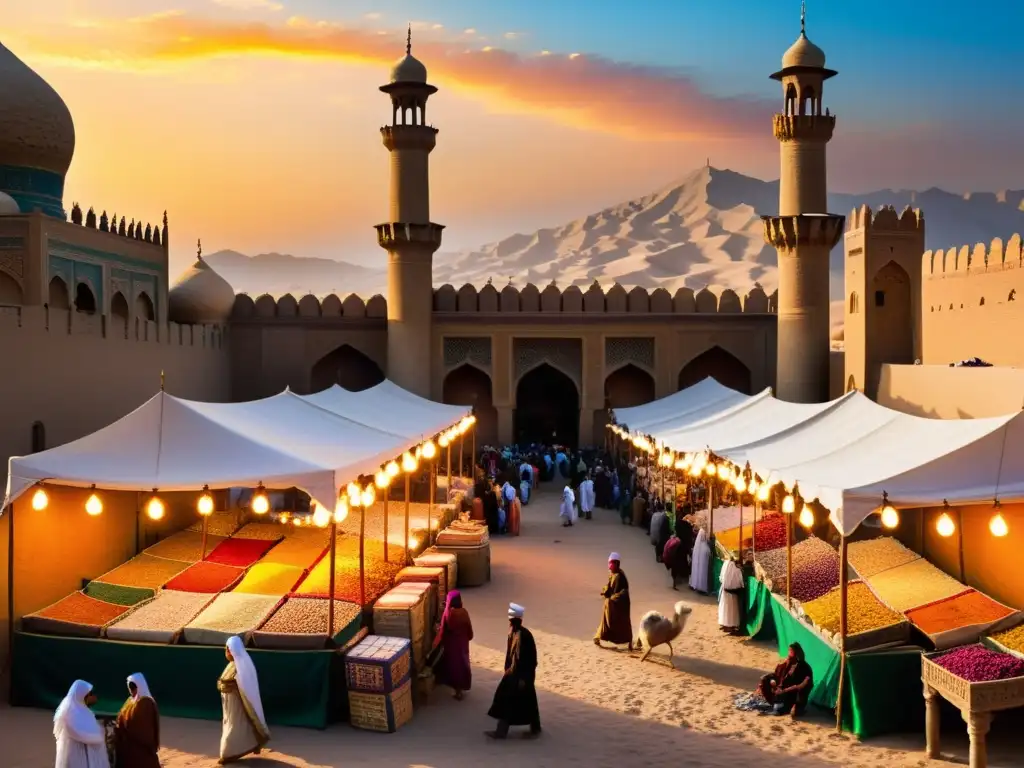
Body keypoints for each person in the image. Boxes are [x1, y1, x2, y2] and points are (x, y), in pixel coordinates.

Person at [486, 603, 541, 739]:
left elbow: (522, 659)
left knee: (507, 701)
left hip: (519, 676)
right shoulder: (517, 633)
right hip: (519, 675)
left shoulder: (521, 635)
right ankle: (535, 728)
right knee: (528, 701)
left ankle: (501, 731)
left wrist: (520, 678)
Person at [217, 635, 270, 764]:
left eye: (228, 649)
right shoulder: (231, 665)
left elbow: (245, 688)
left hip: (237, 706)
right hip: (229, 706)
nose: (226, 652)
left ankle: (227, 755)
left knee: (235, 729)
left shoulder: (242, 666)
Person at [55, 680, 110, 768]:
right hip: (75, 758)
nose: (94, 697)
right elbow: (82, 734)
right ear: (83, 695)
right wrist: (101, 733)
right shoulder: (70, 713)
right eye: (90, 694)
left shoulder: (84, 711)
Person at [432, 590, 474, 700]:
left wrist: (435, 642)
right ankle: (461, 689)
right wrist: (468, 637)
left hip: (451, 645)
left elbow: (442, 631)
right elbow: (469, 630)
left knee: (453, 666)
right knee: (463, 664)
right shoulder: (464, 612)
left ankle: (456, 690)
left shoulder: (448, 613)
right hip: (463, 643)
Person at [114, 673, 160, 768]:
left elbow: (141, 729)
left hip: (140, 750)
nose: (131, 690)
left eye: (132, 687)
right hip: (128, 749)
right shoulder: (130, 700)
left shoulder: (145, 702)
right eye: (130, 687)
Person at [757, 642, 814, 718]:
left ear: (796, 652)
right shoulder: (787, 662)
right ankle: (778, 704)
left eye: (791, 651)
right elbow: (777, 675)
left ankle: (796, 707)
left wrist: (787, 690)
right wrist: (772, 681)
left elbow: (804, 684)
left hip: (794, 694)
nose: (789, 653)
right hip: (782, 692)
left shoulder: (804, 667)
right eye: (789, 650)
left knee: (793, 711)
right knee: (764, 679)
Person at [595, 553, 634, 650]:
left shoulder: (620, 576)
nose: (610, 565)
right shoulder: (613, 574)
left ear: (617, 563)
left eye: (612, 563)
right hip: (613, 603)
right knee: (605, 620)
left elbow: (623, 592)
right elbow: (609, 587)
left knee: (623, 624)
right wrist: (605, 592)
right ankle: (597, 637)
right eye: (609, 563)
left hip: (621, 605)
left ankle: (629, 642)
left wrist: (612, 599)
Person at [718, 557, 745, 634]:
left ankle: (726, 625)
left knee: (725, 610)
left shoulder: (726, 565)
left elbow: (721, 578)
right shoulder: (736, 570)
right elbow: (740, 584)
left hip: (725, 592)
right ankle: (730, 626)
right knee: (731, 611)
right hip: (732, 595)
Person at [689, 526, 711, 593]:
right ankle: (702, 586)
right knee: (703, 571)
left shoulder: (698, 546)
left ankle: (697, 583)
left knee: (699, 569)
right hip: (704, 559)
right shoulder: (705, 547)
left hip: (701, 557)